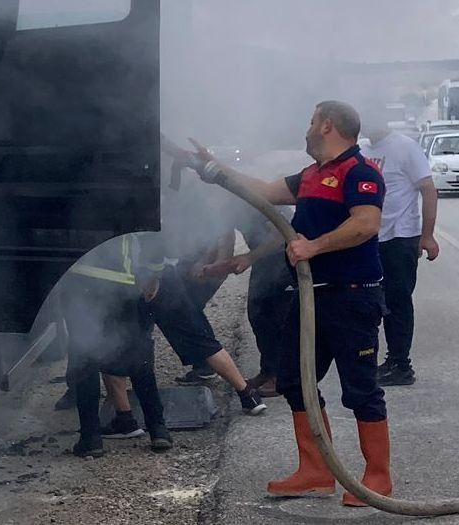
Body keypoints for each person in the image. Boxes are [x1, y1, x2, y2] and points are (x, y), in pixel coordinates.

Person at [195, 100, 391, 506]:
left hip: (352, 297)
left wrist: (314, 247)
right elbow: (264, 192)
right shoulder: (311, 176)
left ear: (327, 126)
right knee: (294, 380)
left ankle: (377, 478)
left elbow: (366, 224)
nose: (306, 128)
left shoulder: (360, 171)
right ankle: (316, 472)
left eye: (310, 120)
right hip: (308, 298)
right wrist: (217, 170)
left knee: (361, 389)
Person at [140, 183, 268, 415]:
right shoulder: (193, 204)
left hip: (164, 278)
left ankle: (129, 416)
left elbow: (222, 236)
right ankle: (246, 392)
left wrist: (211, 267)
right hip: (172, 274)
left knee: (187, 327)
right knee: (194, 326)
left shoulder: (208, 205)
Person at [60, 234, 173, 457]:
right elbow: (150, 232)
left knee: (85, 361)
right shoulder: (125, 197)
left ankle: (91, 439)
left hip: (78, 279)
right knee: (138, 356)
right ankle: (158, 429)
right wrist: (154, 271)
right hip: (120, 282)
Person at [362, 113, 440, 386]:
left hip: (400, 238)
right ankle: (372, 359)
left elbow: (429, 190)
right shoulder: (360, 149)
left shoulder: (405, 146)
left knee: (397, 303)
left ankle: (400, 364)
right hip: (368, 239)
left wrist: (428, 236)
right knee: (369, 302)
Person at [201, 204, 294, 398]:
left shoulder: (256, 200)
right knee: (258, 315)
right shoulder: (227, 205)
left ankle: (282, 377)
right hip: (263, 261)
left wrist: (249, 257)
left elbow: (279, 235)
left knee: (281, 319)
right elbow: (227, 237)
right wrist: (216, 266)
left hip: (286, 259)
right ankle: (268, 371)